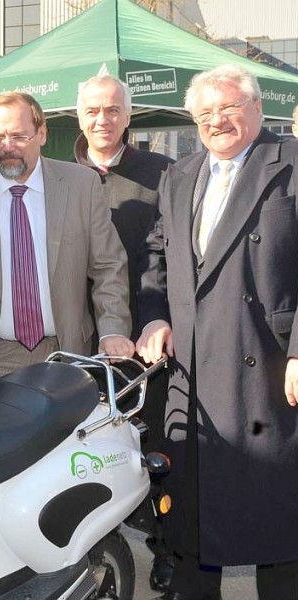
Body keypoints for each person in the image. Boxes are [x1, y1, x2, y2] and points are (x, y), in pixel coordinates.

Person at [136, 63, 298, 600]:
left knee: (277, 522)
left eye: (227, 108)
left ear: (256, 108)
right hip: (195, 373)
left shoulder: (292, 164)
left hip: (268, 366)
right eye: (204, 113)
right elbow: (157, 255)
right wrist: (155, 315)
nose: (216, 121)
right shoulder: (179, 175)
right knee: (195, 522)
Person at [0, 91, 135, 405]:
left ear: (42, 133)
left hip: (63, 356)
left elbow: (108, 265)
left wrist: (112, 329)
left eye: (18, 136)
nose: (8, 147)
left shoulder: (81, 184)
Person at [74, 74, 175, 593]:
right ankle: (95, 547)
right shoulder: (60, 175)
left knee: (156, 445)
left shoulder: (164, 173)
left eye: (113, 110)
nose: (102, 119)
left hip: (150, 337)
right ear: (78, 116)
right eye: (92, 110)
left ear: (128, 116)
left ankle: (166, 546)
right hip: (81, 341)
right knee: (92, 449)